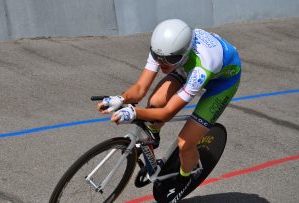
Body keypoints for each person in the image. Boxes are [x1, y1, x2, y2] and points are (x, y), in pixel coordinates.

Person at [97, 19, 241, 202]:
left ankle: (185, 177)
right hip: (185, 67)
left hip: (221, 83)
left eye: (170, 59)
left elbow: (168, 112)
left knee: (185, 143)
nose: (162, 64)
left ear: (185, 52)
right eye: (158, 57)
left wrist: (134, 112)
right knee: (155, 101)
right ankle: (153, 134)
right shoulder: (163, 50)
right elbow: (140, 88)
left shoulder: (202, 67)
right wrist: (121, 98)